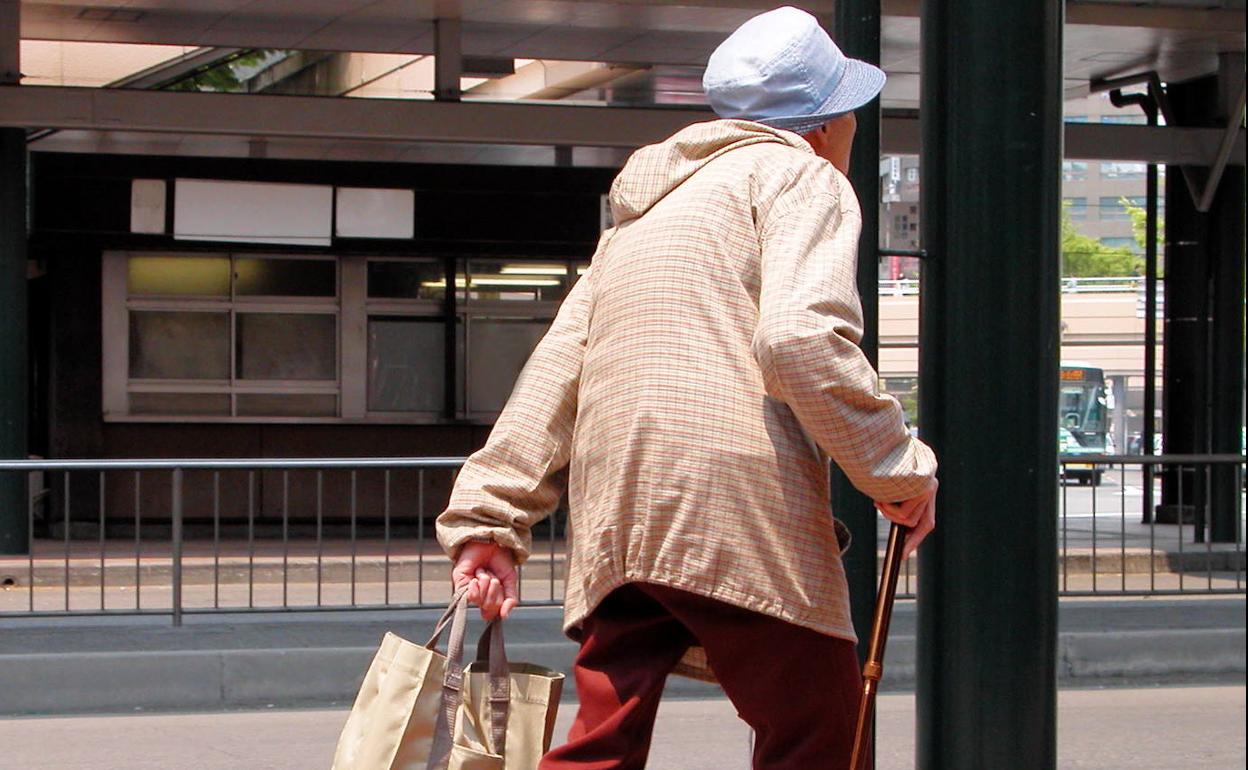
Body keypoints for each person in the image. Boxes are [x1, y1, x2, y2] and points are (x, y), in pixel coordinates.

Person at [437, 6, 939, 768]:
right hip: (736, 503)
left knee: (602, 742)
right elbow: (800, 339)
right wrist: (895, 469)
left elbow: (557, 371)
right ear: (823, 125)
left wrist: (489, 518)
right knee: (823, 730)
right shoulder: (802, 177)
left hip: (622, 510)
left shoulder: (643, 213)